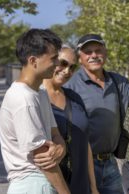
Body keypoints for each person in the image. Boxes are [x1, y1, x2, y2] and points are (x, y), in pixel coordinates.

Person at [65, 34, 129, 194]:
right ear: (80, 58)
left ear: (105, 53)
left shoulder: (118, 82)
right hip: (81, 165)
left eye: (98, 50)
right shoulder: (70, 87)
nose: (94, 55)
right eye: (88, 52)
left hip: (110, 163)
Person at [0, 29, 70, 194]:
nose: (58, 63)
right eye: (53, 58)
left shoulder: (40, 92)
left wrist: (61, 147)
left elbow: (55, 134)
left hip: (41, 183)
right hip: (32, 184)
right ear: (33, 60)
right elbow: (43, 160)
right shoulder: (23, 99)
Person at [39, 45, 99, 194]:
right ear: (52, 61)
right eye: (63, 63)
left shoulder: (75, 98)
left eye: (72, 67)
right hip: (51, 187)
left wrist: (93, 187)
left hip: (81, 186)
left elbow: (86, 144)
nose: (67, 71)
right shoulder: (35, 98)